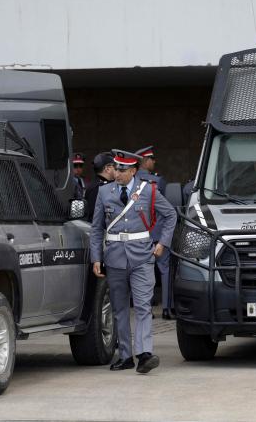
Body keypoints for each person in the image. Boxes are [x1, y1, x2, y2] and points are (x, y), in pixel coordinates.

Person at [90, 149, 177, 373]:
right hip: (115, 257)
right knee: (119, 309)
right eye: (116, 168)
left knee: (142, 307)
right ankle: (126, 355)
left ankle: (145, 354)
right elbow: (96, 228)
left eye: (122, 170)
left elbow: (170, 215)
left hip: (142, 257)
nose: (117, 173)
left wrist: (162, 243)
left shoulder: (148, 190)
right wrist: (96, 257)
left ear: (134, 171)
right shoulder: (104, 192)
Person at [135, 145, 172, 319]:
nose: (154, 161)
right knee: (164, 270)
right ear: (146, 161)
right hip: (158, 233)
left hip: (140, 233)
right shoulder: (159, 181)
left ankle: (146, 308)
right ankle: (166, 308)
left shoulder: (132, 181)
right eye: (152, 158)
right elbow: (165, 208)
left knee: (143, 273)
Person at [84, 152, 115, 222]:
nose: (118, 170)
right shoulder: (96, 188)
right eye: (115, 167)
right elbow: (95, 218)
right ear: (108, 169)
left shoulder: (103, 185)